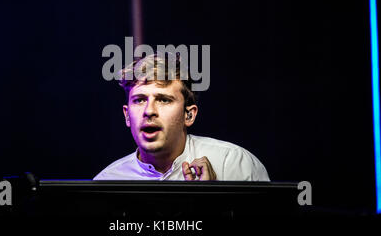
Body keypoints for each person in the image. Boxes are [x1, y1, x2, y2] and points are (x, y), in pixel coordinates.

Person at [93, 52, 269, 181]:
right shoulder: (106, 181)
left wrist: (214, 202)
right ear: (127, 116)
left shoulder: (232, 164)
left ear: (189, 115)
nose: (149, 111)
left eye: (163, 100)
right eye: (139, 100)